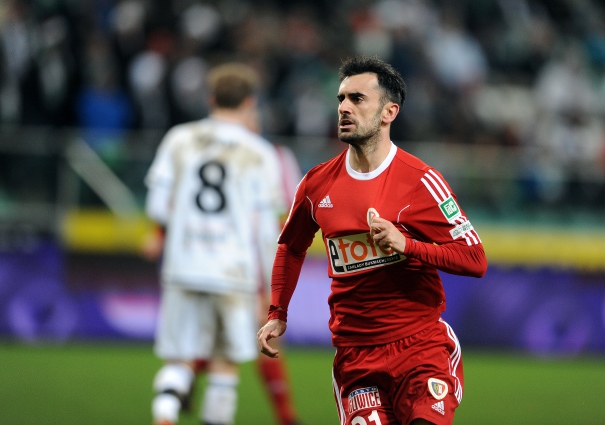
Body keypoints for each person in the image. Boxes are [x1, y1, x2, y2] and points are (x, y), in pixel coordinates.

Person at [257, 55, 488, 425]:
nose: (344, 108)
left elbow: (475, 259)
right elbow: (290, 246)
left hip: (420, 349)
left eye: (357, 99)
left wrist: (407, 245)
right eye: (341, 99)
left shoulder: (421, 181)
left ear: (388, 112)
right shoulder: (316, 184)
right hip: (355, 357)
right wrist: (277, 313)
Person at [145, 62, 300, 425]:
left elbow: (157, 207)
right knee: (224, 363)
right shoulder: (260, 152)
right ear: (250, 102)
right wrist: (270, 287)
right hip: (233, 271)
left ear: (211, 99)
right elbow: (266, 231)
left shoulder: (179, 138)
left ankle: (165, 414)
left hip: (183, 266)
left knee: (180, 357)